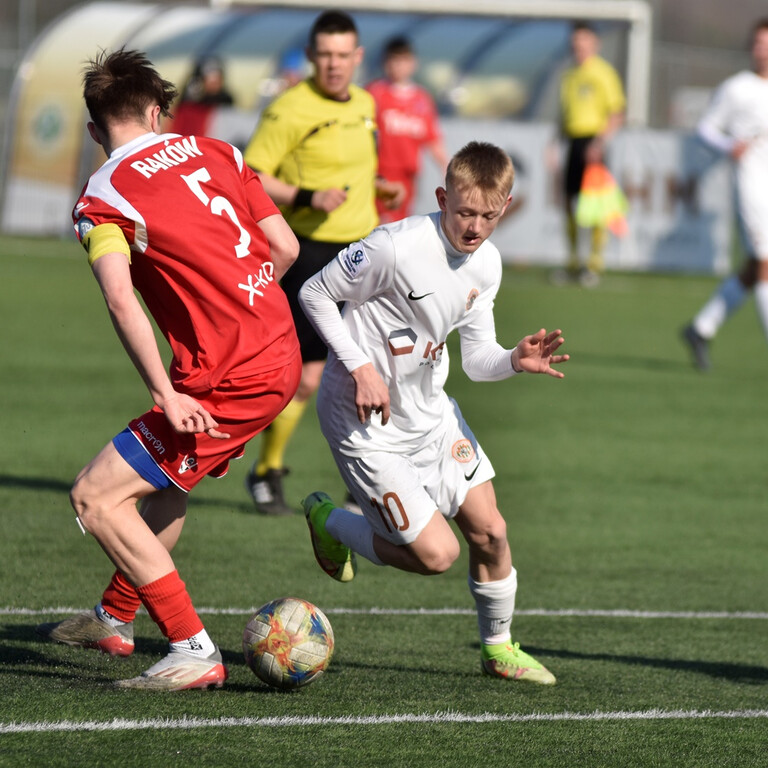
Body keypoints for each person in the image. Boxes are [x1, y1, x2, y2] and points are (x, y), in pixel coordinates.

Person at [35, 49, 301, 690]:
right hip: (277, 351)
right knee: (165, 485)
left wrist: (166, 390)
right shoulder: (218, 152)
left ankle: (192, 648)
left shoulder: (104, 199)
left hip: (229, 378)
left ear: (96, 131)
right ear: (157, 113)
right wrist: (243, 313)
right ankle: (115, 617)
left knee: (95, 498)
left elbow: (119, 295)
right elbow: (285, 246)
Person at [298, 141, 567, 684]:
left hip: (430, 414)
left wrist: (514, 360)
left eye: (489, 216)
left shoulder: (486, 264)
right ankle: (330, 520)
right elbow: (314, 292)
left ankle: (499, 650)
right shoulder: (394, 247)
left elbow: (477, 360)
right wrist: (358, 366)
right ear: (443, 196)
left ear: (506, 207)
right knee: (435, 555)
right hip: (364, 420)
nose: (474, 227)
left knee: (491, 531)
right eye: (464, 212)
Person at [242, 10, 405, 515]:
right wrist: (307, 195)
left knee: (382, 368)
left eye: (343, 55)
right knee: (309, 378)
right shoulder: (289, 108)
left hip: (364, 253)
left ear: (358, 58)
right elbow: (249, 174)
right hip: (310, 254)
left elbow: (355, 164)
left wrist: (379, 188)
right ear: (312, 56)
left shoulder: (365, 102)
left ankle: (373, 484)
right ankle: (267, 471)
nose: (334, 65)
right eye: (325, 55)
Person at [682, 18, 768, 371]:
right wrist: (729, 144)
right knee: (765, 263)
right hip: (750, 184)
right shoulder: (737, 88)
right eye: (758, 43)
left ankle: (701, 329)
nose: (762, 49)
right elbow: (705, 129)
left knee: (755, 267)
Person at [552, 21, 625, 287]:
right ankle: (573, 261)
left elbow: (616, 113)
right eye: (575, 44)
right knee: (569, 203)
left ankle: (593, 264)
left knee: (595, 206)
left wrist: (599, 142)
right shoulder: (569, 76)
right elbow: (564, 117)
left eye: (584, 43)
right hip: (573, 142)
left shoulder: (604, 74)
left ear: (595, 44)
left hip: (594, 143)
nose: (579, 48)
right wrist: (553, 144)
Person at [366, 36, 448, 223]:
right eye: (393, 60)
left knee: (400, 224)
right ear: (385, 62)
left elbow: (432, 138)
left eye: (403, 60)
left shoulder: (422, 98)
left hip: (408, 176)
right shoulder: (375, 93)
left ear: (413, 63)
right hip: (380, 175)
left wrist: (446, 166)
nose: (398, 66)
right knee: (380, 225)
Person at [170, 55, 235, 137]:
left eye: (218, 79)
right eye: (211, 80)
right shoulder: (187, 109)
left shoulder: (226, 104)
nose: (215, 84)